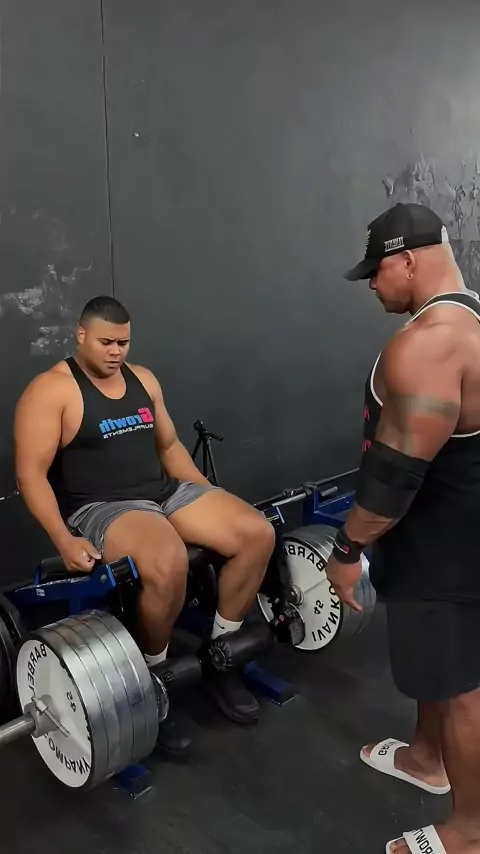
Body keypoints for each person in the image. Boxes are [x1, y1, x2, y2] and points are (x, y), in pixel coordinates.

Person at [14, 295, 275, 754]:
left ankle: (224, 655)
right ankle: (155, 680)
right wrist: (64, 539)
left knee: (257, 533)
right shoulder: (51, 391)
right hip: (103, 506)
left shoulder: (143, 380)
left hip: (165, 492)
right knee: (167, 560)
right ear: (80, 335)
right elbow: (30, 475)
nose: (116, 351)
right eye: (106, 342)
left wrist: (209, 494)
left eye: (124, 343)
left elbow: (169, 446)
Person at [325, 203, 480, 854]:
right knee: (444, 669)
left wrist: (345, 549)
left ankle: (469, 831)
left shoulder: (428, 344)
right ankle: (426, 758)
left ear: (407, 261)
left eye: (375, 271)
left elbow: (393, 479)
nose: (371, 285)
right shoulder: (472, 317)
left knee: (464, 686)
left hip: (444, 548)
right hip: (459, 529)